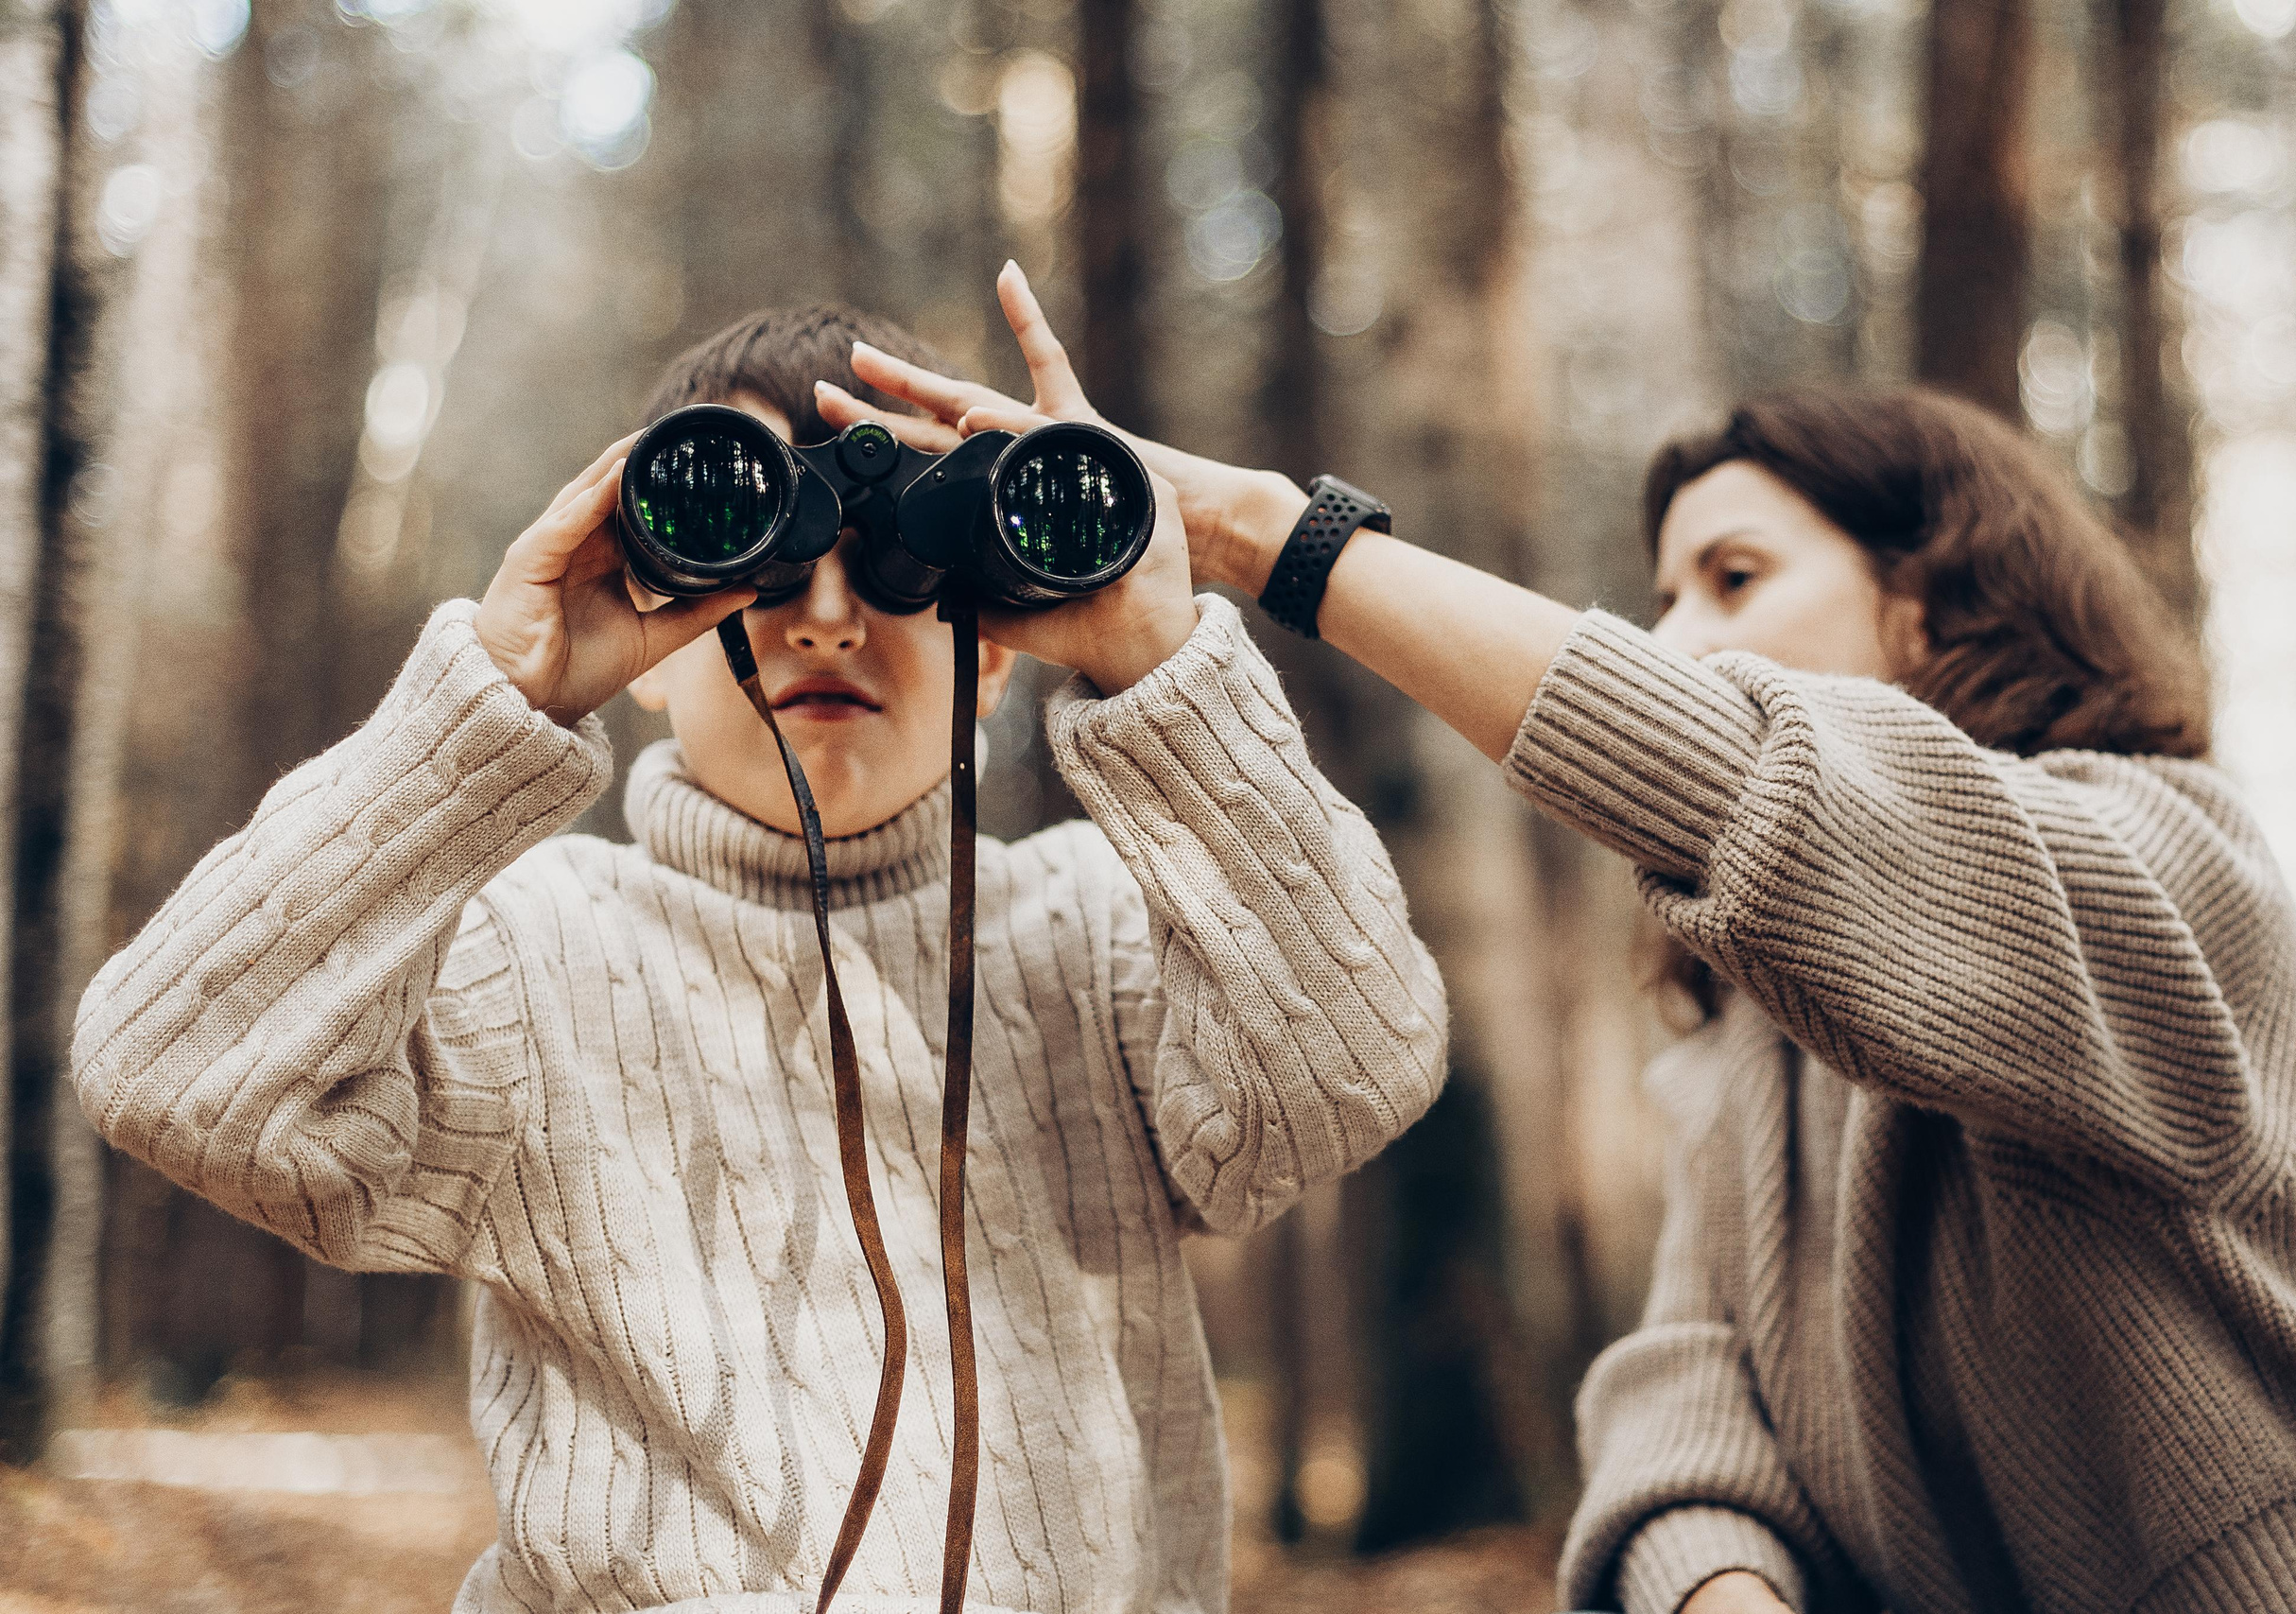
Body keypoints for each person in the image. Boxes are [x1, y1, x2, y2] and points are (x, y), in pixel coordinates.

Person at [828, 264, 2296, 1614]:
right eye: (1663, 597)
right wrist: (1722, 1588)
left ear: (1939, 602)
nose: (1682, 638)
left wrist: (1270, 543)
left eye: (1735, 576)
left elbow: (1760, 785)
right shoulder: (1752, 1042)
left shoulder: (2165, 867)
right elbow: (1688, 1404)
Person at [70, 305, 1450, 1614]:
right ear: (655, 646)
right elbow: (171, 1073)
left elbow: (1356, 1070)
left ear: (995, 642)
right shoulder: (531, 951)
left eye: (901, 565)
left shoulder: (1102, 932)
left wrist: (1160, 669)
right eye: (762, 559)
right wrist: (490, 705)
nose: (830, 616)